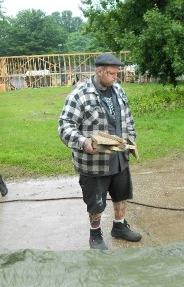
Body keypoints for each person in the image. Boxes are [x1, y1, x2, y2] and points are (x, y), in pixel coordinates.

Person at [58, 53, 142, 250]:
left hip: (119, 158)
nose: (115, 77)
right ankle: (95, 234)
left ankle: (119, 227)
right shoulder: (80, 95)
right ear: (99, 71)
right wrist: (83, 141)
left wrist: (131, 138)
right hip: (94, 163)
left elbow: (127, 117)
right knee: (96, 202)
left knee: (121, 194)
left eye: (116, 73)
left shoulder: (118, 90)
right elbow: (65, 126)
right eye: (111, 73)